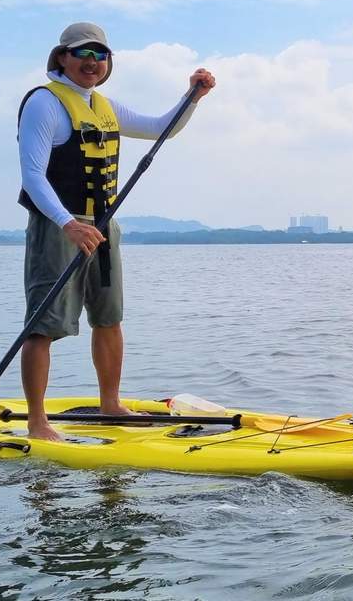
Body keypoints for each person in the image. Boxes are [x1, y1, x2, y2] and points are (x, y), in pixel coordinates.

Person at [17, 22, 215, 441]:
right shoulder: (44, 103)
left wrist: (191, 98)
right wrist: (68, 223)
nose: (92, 62)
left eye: (100, 55)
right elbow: (33, 176)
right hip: (59, 227)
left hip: (105, 226)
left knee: (109, 319)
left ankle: (111, 404)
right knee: (42, 325)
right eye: (82, 54)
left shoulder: (105, 105)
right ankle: (37, 421)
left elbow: (162, 127)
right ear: (62, 58)